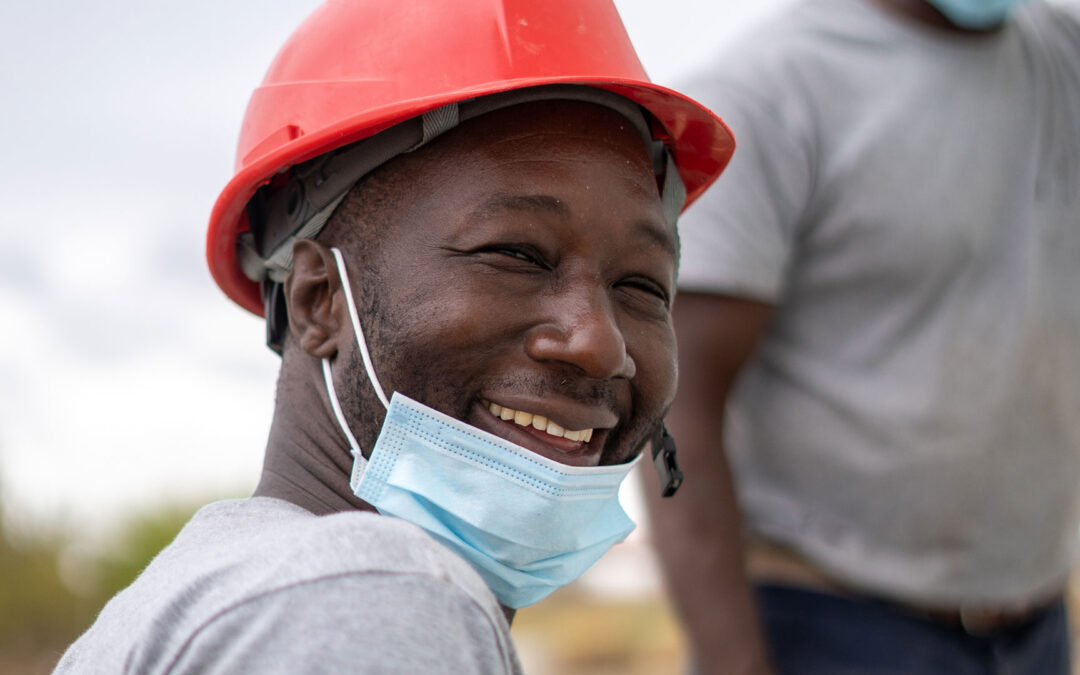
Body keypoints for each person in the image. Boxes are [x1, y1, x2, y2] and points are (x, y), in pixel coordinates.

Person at [53, 0, 735, 672]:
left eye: (642, 286)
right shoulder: (372, 595)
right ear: (320, 301)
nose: (599, 342)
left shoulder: (208, 597)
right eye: (517, 255)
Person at [643, 0, 1080, 673]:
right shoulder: (773, 90)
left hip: (1034, 618)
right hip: (834, 623)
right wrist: (732, 659)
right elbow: (677, 401)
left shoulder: (1060, 58)